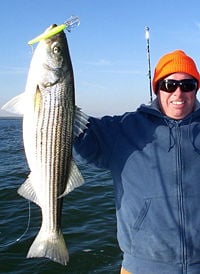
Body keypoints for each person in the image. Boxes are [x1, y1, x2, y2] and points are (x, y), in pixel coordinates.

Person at [74, 50, 200, 274]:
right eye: (169, 84)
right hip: (142, 266)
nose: (178, 92)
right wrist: (52, 97)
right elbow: (75, 132)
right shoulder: (122, 130)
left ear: (196, 89)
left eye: (187, 85)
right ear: (157, 88)